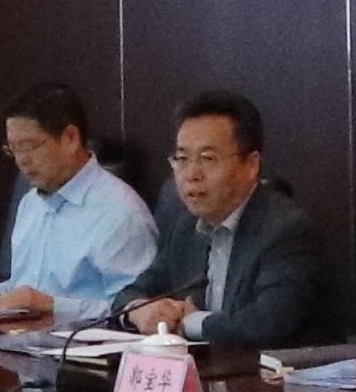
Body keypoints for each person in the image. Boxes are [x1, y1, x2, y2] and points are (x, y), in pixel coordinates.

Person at [118, 89, 326, 347]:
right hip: (210, 367)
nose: (191, 175)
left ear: (251, 165)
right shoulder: (185, 228)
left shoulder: (286, 230)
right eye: (182, 159)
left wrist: (190, 323)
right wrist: (139, 311)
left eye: (207, 159)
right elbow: (131, 292)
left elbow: (268, 323)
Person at [0, 78, 152, 324]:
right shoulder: (30, 203)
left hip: (86, 345)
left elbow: (135, 310)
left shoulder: (120, 212)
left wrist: (54, 306)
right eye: (13, 149)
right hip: (20, 339)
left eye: (29, 147)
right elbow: (30, 289)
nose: (21, 160)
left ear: (70, 138)